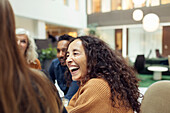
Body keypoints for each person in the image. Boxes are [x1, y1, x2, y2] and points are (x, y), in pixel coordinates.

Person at [0, 0, 64, 113]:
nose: (19, 44)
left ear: (28, 45)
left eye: (23, 41)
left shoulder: (37, 73)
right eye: (16, 40)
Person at [65, 36, 141, 113]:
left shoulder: (96, 85)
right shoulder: (88, 82)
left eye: (75, 53)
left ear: (93, 57)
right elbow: (71, 107)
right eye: (68, 55)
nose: (68, 60)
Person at [49, 34, 79, 100]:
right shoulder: (55, 64)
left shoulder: (77, 67)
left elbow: (69, 97)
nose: (60, 55)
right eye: (58, 51)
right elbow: (47, 85)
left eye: (64, 51)